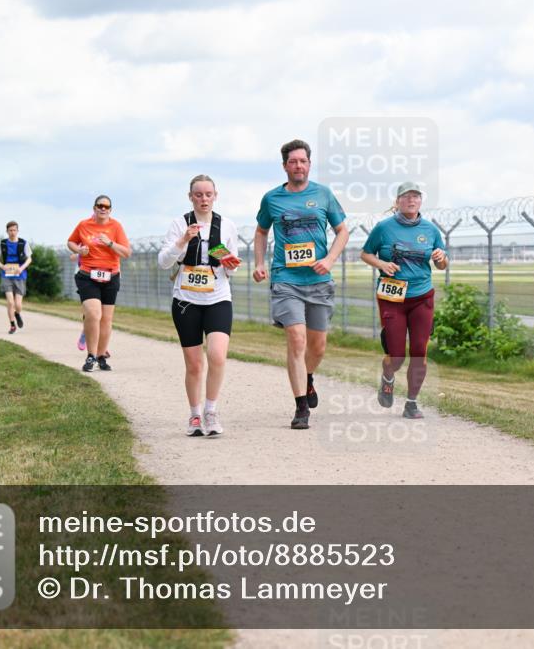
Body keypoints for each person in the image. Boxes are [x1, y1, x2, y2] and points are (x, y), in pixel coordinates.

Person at [252, 139, 349, 429]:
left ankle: (307, 379)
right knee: (297, 338)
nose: (298, 166)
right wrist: (259, 262)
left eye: (303, 161)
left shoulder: (323, 194)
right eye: (293, 162)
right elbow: (260, 231)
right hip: (286, 279)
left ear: (309, 163)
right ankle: (300, 408)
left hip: (319, 280)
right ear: (285, 166)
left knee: (317, 348)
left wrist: (330, 259)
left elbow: (342, 231)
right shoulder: (272, 199)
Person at [158, 175, 241, 438]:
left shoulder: (227, 225)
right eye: (198, 195)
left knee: (217, 355)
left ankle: (211, 411)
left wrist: (230, 264)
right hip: (186, 300)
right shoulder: (178, 224)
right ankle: (194, 415)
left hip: (217, 297)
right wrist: (182, 241)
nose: (203, 199)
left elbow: (232, 267)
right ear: (190, 197)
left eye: (208, 194)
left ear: (215, 195)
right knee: (194, 364)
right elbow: (163, 262)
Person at [360, 182, 447, 419]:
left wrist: (440, 258)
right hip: (392, 297)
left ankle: (411, 403)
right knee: (397, 356)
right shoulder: (384, 228)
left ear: (421, 201)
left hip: (422, 296)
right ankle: (388, 376)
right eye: (406, 196)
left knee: (419, 351)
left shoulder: (430, 230)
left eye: (416, 196)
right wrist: (382, 264)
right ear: (397, 201)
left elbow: (441, 264)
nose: (411, 200)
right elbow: (365, 253)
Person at [67, 195, 131, 371]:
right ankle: (91, 356)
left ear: (110, 210)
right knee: (94, 314)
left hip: (111, 276)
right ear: (94, 208)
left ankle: (102, 356)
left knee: (106, 319)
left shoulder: (116, 226)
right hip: (88, 275)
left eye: (107, 207)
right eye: (100, 206)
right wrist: (79, 250)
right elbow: (70, 242)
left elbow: (126, 253)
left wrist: (110, 243)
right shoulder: (84, 225)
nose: (103, 209)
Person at [0, 221, 32, 334]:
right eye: (10, 230)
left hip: (20, 274)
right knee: (10, 303)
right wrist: (2, 266)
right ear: (7, 231)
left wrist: (22, 268)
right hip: (6, 274)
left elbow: (29, 259)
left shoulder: (23, 243)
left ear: (17, 231)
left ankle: (17, 313)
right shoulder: (2, 244)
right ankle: (12, 325)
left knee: (18, 305)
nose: (12, 232)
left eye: (14, 230)